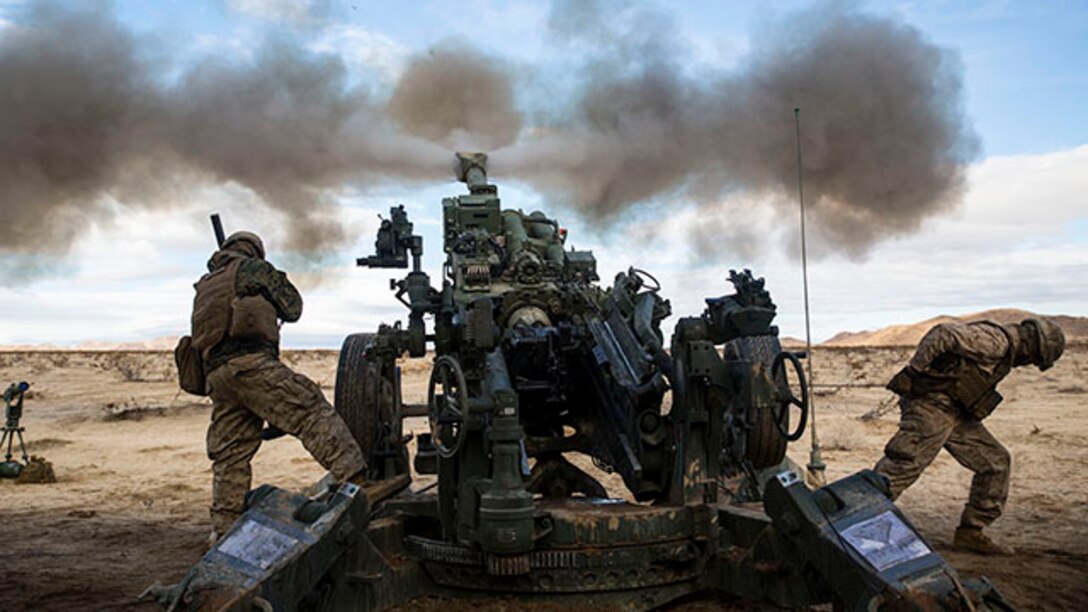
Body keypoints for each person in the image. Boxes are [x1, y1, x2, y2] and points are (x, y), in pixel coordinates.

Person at [190, 231, 366, 542]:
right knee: (309, 409)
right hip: (251, 364)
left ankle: (224, 529)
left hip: (218, 377)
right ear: (254, 251)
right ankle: (357, 479)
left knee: (230, 453)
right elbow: (293, 308)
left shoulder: (206, 284)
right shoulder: (253, 269)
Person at [874, 317, 1064, 555]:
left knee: (995, 462)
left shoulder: (1002, 351)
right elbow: (942, 334)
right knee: (904, 466)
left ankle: (971, 532)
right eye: (1035, 358)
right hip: (929, 408)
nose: (1029, 363)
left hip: (954, 413)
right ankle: (855, 513)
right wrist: (913, 371)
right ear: (1031, 345)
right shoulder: (995, 342)